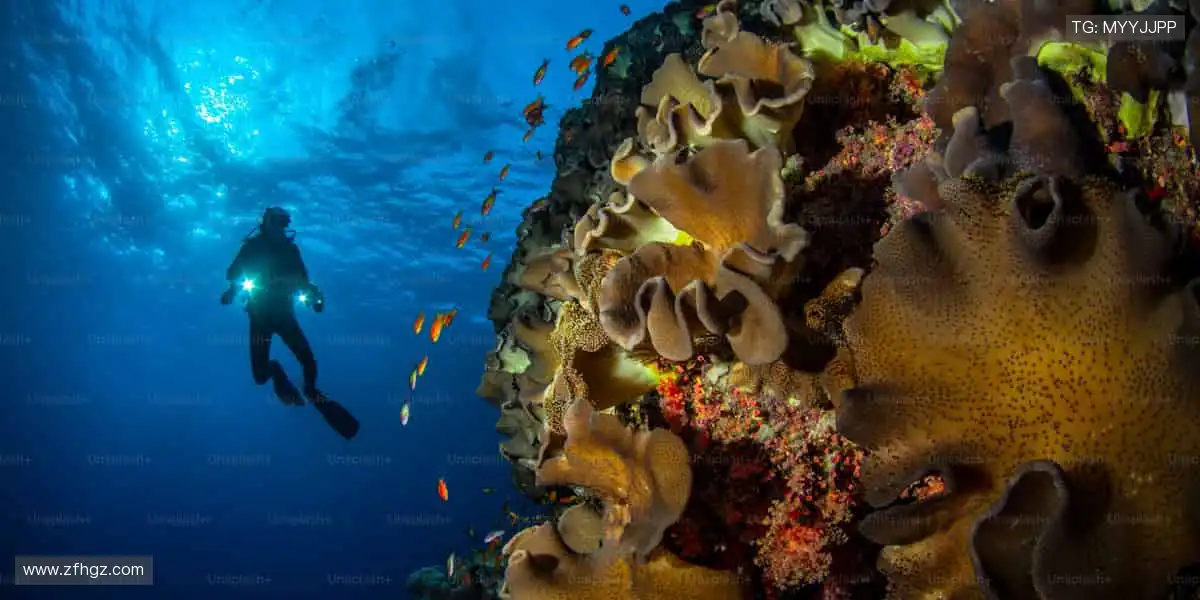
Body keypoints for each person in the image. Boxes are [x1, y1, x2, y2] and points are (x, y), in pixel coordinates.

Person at [220, 207, 325, 404]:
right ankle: (276, 371)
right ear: (266, 223)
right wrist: (232, 291)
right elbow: (233, 274)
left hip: (284, 314)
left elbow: (303, 281)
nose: (280, 227)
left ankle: (310, 389)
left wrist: (316, 299)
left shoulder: (290, 250)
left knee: (308, 361)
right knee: (260, 376)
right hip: (260, 316)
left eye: (284, 223)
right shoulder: (251, 247)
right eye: (276, 221)